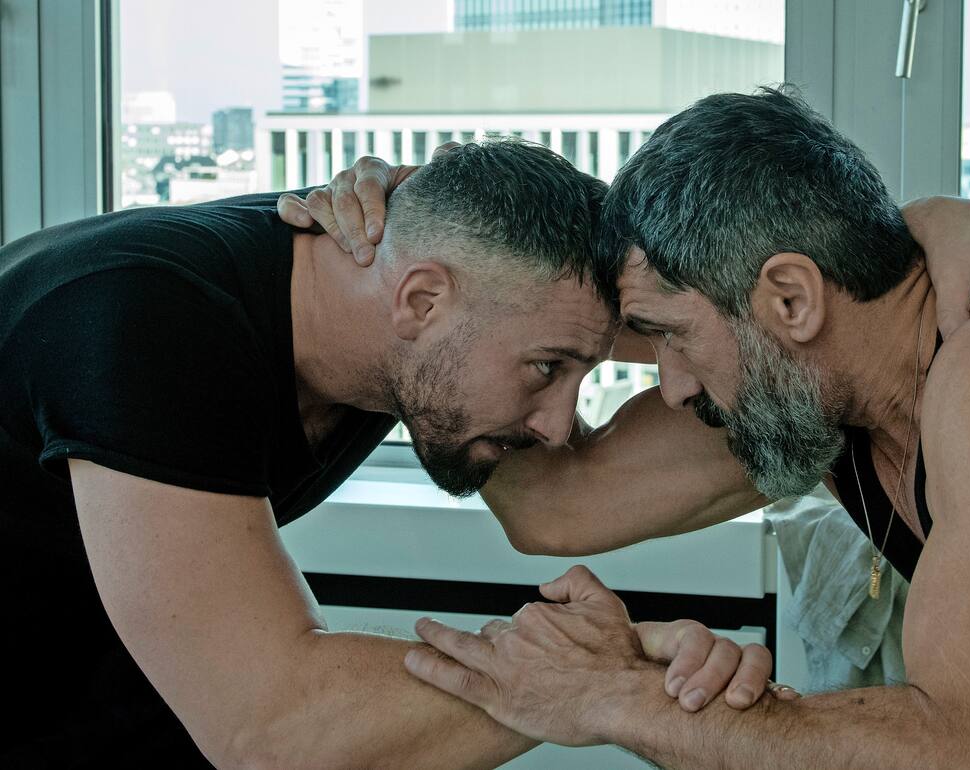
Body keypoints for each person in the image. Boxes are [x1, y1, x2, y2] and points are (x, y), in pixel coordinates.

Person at [302, 90, 970, 768]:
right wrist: (439, 279)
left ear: (790, 299)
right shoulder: (819, 377)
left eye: (670, 337)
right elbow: (554, 505)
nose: (670, 386)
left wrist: (612, 695)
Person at [1, 140, 772, 769]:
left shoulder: (391, 280)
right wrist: (603, 680)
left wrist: (831, 349)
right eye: (546, 369)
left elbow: (679, 336)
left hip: (114, 676)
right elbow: (275, 727)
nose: (558, 426)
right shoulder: (149, 324)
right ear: (421, 301)